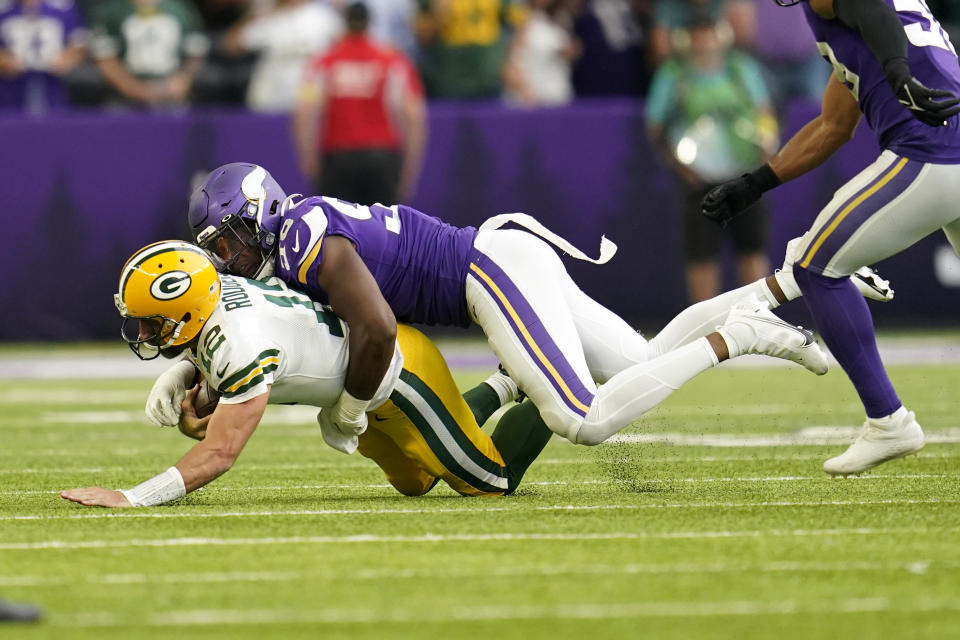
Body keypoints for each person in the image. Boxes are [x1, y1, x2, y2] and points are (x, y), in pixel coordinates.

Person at [179, 162, 855, 454]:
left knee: (583, 420)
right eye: (216, 248)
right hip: (502, 258)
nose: (227, 257)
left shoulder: (300, 240)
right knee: (642, 359)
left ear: (260, 214)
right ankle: (778, 292)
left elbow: (376, 327)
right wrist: (199, 379)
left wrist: (349, 410)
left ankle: (734, 336)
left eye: (230, 239)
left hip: (488, 271)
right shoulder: (295, 235)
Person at [62, 241, 553, 507]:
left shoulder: (240, 342)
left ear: (188, 310)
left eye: (152, 322)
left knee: (491, 479)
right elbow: (225, 362)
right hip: (356, 391)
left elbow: (220, 453)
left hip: (397, 376)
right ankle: (505, 382)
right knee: (417, 482)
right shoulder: (218, 296)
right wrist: (185, 373)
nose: (145, 332)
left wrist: (133, 497)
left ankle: (549, 389)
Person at [701, 0, 960, 475]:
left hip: (930, 151)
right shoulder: (853, 28)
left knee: (815, 265)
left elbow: (872, 13)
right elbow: (832, 126)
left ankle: (888, 421)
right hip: (947, 146)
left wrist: (899, 72)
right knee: (817, 262)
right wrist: (754, 183)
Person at [646, 12, 778, 302]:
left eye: (709, 32)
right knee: (702, 256)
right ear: (685, 40)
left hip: (745, 175)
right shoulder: (673, 74)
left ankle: (758, 320)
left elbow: (764, 112)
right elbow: (656, 126)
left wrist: (764, 156)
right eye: (697, 33)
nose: (705, 40)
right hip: (699, 180)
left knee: (752, 249)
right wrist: (682, 169)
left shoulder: (742, 69)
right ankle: (706, 328)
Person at [292, 1, 426, 205]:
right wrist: (410, 169)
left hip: (338, 159)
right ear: (368, 23)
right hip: (381, 158)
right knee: (385, 228)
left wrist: (308, 159)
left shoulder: (324, 61)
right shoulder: (392, 60)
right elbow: (414, 116)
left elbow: (305, 113)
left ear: (345, 23)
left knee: (336, 229)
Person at [222, 0, 342, 113]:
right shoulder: (271, 16)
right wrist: (256, 14)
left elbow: (345, 49)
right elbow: (232, 46)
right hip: (272, 95)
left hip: (310, 95)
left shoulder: (324, 17)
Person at [89, 0, 209, 108]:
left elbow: (195, 53)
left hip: (173, 93)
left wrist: (183, 79)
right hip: (124, 96)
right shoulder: (111, 10)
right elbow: (105, 59)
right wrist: (134, 89)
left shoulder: (181, 9)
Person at [0, 0, 87, 114]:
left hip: (53, 85)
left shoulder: (63, 6)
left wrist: (67, 59)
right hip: (10, 88)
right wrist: (4, 60)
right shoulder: (4, 8)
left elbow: (79, 42)